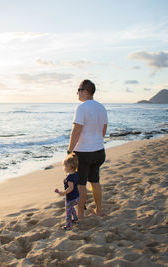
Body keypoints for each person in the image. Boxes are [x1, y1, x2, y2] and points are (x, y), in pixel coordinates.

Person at [67, 79, 108, 219]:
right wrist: (96, 141)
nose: (77, 93)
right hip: (99, 151)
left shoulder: (82, 108)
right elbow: (104, 128)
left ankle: (80, 215)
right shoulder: (101, 107)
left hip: (84, 152)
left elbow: (76, 130)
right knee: (95, 181)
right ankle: (99, 210)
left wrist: (70, 150)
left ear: (85, 91)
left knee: (81, 184)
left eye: (78, 90)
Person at [55, 153, 79, 231]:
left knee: (68, 212)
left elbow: (70, 188)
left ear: (70, 167)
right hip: (77, 196)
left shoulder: (69, 177)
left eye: (65, 166)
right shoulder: (75, 174)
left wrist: (63, 193)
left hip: (71, 198)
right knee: (72, 208)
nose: (64, 167)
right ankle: (75, 219)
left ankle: (68, 225)